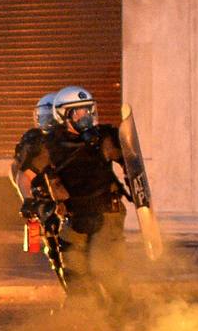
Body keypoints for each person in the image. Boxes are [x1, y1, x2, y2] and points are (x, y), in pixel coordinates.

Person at [12, 86, 132, 304]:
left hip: (107, 212)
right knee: (73, 269)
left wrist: (133, 179)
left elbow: (129, 161)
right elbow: (25, 175)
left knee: (104, 265)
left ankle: (127, 318)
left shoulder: (104, 138)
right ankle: (87, 317)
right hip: (74, 216)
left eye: (87, 110)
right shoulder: (50, 146)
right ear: (63, 115)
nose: (85, 116)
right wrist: (30, 200)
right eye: (78, 112)